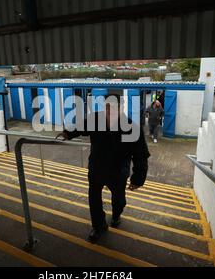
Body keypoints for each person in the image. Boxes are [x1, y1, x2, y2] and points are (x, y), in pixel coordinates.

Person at [56, 95, 150, 243]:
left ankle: (116, 215)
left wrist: (138, 179)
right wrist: (67, 133)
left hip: (118, 173)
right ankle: (98, 226)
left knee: (119, 200)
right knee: (94, 200)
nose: (110, 109)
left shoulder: (132, 128)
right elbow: (80, 127)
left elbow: (141, 155)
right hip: (96, 169)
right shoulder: (94, 120)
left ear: (121, 107)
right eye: (107, 106)